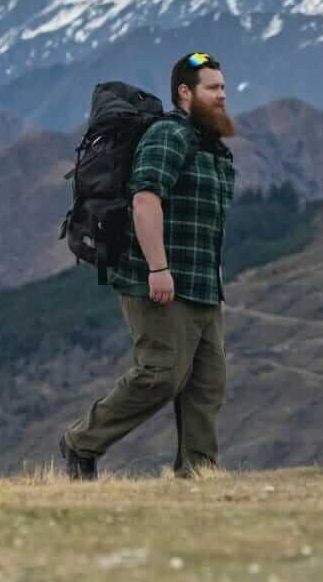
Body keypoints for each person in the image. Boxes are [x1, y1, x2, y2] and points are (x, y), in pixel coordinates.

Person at [60, 51, 237, 479]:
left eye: (223, 88)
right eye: (212, 88)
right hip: (154, 281)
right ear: (184, 93)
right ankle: (81, 442)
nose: (221, 96)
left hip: (201, 286)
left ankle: (198, 473)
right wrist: (158, 268)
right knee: (161, 374)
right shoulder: (168, 136)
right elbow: (145, 199)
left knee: (206, 384)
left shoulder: (210, 147)